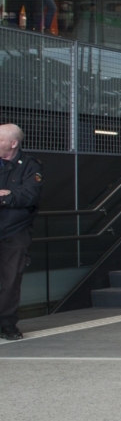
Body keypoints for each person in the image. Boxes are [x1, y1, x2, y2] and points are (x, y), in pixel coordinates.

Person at [0, 123, 43, 341]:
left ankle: (7, 324)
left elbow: (29, 195)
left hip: (15, 232)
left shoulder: (30, 166)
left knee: (10, 280)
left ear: (13, 143)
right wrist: (8, 195)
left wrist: (7, 197)